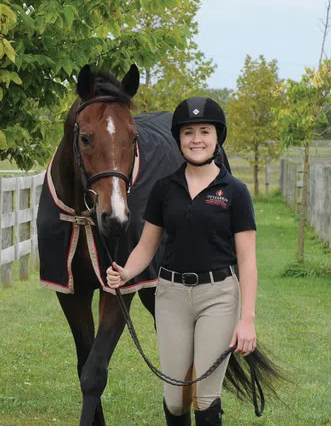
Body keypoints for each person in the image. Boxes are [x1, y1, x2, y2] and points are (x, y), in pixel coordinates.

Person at [106, 97, 258, 426]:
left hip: (218, 296)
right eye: (188, 132)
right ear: (179, 139)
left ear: (218, 138)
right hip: (171, 296)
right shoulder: (164, 189)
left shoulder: (235, 192)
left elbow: (247, 261)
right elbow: (147, 245)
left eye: (205, 131)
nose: (196, 139)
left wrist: (246, 320)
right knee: (175, 400)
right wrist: (126, 272)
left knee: (205, 396)